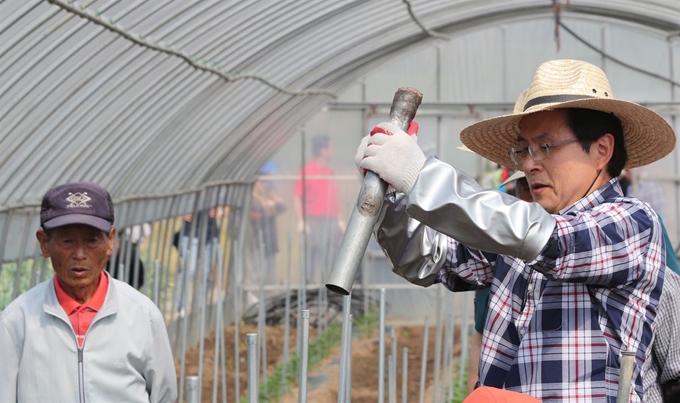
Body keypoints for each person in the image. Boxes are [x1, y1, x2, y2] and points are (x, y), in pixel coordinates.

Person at [356, 59, 675, 401]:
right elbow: (426, 260)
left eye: (546, 146)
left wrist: (422, 177)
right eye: (525, 149)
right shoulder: (513, 237)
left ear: (601, 151)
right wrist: (393, 198)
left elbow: (554, 243)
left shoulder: (632, 223)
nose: (528, 164)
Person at [0, 181, 177, 402]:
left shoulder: (143, 316)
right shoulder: (17, 321)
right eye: (67, 241)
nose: (80, 254)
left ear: (110, 241)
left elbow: (164, 396)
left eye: (92, 240)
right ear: (44, 243)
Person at [293, 134, 344, 284]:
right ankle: (307, 296)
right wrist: (301, 222)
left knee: (331, 259)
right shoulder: (306, 172)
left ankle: (330, 294)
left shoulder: (330, 172)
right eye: (331, 148)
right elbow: (297, 197)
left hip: (330, 221)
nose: (333, 151)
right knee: (309, 260)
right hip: (313, 221)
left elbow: (334, 198)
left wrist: (339, 220)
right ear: (323, 150)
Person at [249, 163, 286, 285]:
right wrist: (269, 206)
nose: (266, 182)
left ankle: (269, 298)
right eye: (263, 179)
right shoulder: (252, 196)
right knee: (258, 273)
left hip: (270, 238)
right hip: (257, 238)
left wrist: (273, 205)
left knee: (270, 273)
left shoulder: (269, 193)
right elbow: (260, 209)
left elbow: (282, 206)